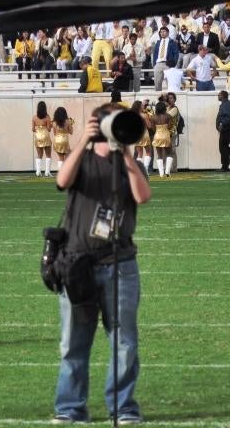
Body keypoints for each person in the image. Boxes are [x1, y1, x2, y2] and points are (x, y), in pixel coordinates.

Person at [51, 105, 151, 426]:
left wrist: (126, 155)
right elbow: (62, 181)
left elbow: (143, 196)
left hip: (120, 263)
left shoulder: (130, 164)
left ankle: (123, 408)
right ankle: (70, 407)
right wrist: (83, 141)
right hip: (78, 263)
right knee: (74, 342)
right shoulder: (83, 159)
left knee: (123, 343)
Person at [151, 101, 173, 178]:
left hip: (157, 135)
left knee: (159, 155)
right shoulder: (168, 116)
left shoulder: (153, 117)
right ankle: (167, 171)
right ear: (164, 108)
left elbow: (152, 128)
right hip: (166, 135)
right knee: (169, 153)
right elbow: (170, 127)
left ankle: (161, 173)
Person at [51, 106, 75, 176]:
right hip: (65, 140)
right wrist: (71, 125)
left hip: (57, 140)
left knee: (60, 158)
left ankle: (60, 173)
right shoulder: (67, 121)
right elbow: (71, 132)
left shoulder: (54, 122)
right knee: (67, 157)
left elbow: (54, 133)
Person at [32, 101, 54, 178]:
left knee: (39, 155)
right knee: (48, 155)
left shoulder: (34, 117)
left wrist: (38, 129)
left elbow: (33, 129)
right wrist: (50, 125)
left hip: (38, 136)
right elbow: (49, 129)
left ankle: (38, 172)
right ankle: (47, 172)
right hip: (45, 136)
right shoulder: (47, 117)